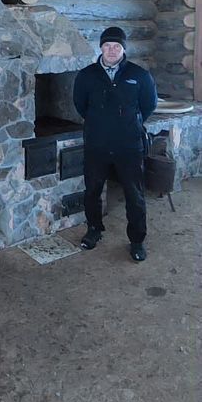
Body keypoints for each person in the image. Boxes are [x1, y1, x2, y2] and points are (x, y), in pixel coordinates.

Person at [73, 26, 158, 262]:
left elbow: (148, 105)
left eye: (116, 46)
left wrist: (126, 125)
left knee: (134, 194)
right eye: (107, 46)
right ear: (100, 48)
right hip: (96, 144)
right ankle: (94, 230)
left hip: (129, 145)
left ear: (123, 49)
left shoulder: (139, 75)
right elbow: (80, 105)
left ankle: (137, 241)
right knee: (92, 190)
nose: (111, 50)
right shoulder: (86, 75)